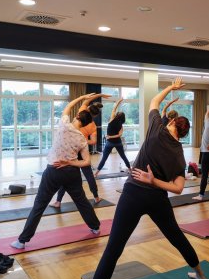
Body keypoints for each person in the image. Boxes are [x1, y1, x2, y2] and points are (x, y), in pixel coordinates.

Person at [88, 78, 207, 279]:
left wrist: (171, 87)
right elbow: (179, 188)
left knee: (113, 249)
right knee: (177, 238)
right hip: (157, 199)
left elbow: (154, 101)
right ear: (182, 134)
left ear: (171, 123)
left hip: (133, 192)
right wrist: (155, 182)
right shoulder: (179, 154)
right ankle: (200, 274)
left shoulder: (155, 128)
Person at [10, 94, 101, 249]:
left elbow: (69, 106)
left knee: (39, 205)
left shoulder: (64, 124)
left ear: (78, 116)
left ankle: (22, 241)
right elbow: (86, 162)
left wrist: (83, 98)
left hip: (53, 171)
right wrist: (70, 162)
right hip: (71, 173)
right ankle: (95, 227)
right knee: (81, 201)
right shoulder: (82, 138)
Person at [51, 93, 110, 208]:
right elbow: (93, 142)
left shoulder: (81, 113)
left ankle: (58, 201)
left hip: (72, 151)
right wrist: (82, 141)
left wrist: (99, 95)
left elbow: (84, 101)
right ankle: (96, 197)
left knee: (66, 176)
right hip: (81, 151)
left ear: (88, 109)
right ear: (95, 116)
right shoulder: (92, 125)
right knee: (89, 176)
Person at [94, 98, 131, 176]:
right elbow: (119, 135)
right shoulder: (121, 125)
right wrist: (112, 136)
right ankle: (130, 170)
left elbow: (114, 108)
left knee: (104, 158)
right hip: (118, 143)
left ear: (117, 115)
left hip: (110, 143)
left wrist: (119, 101)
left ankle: (96, 173)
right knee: (123, 156)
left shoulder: (112, 119)